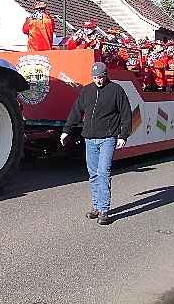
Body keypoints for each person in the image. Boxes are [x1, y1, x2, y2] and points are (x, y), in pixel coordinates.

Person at [60, 62, 132, 225]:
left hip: (108, 138)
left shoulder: (116, 91)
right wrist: (66, 130)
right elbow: (76, 111)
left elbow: (126, 113)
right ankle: (96, 207)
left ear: (106, 75)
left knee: (103, 172)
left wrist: (123, 135)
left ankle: (104, 210)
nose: (98, 80)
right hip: (90, 138)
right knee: (93, 174)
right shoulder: (86, 91)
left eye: (100, 77)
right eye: (95, 77)